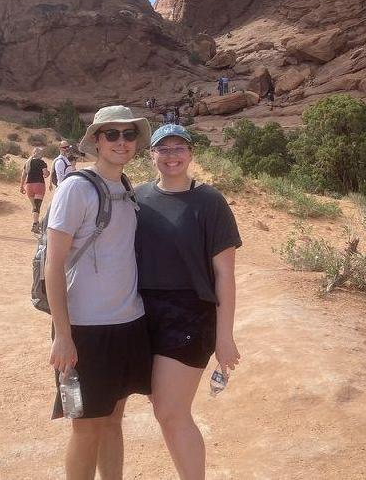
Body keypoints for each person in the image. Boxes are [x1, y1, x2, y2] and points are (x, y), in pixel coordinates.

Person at [45, 105, 153, 480]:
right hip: (86, 329)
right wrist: (62, 334)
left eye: (129, 135)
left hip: (128, 323)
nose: (121, 142)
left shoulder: (125, 188)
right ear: (95, 140)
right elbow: (53, 264)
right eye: (112, 134)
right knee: (86, 426)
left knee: (113, 420)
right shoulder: (77, 188)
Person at [135, 124, 242, 480]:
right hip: (141, 312)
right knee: (164, 408)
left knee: (170, 411)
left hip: (190, 315)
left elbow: (224, 274)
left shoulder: (209, 202)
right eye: (162, 149)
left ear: (191, 153)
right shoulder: (137, 198)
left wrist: (224, 338)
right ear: (151, 154)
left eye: (178, 148)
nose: (171, 156)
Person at [21, 146, 49, 234]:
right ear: (40, 154)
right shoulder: (42, 162)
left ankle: (35, 223)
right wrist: (47, 173)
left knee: (34, 206)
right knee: (37, 206)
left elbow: (23, 175)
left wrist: (21, 186)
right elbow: (45, 173)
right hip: (39, 185)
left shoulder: (27, 162)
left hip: (29, 185)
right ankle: (35, 224)